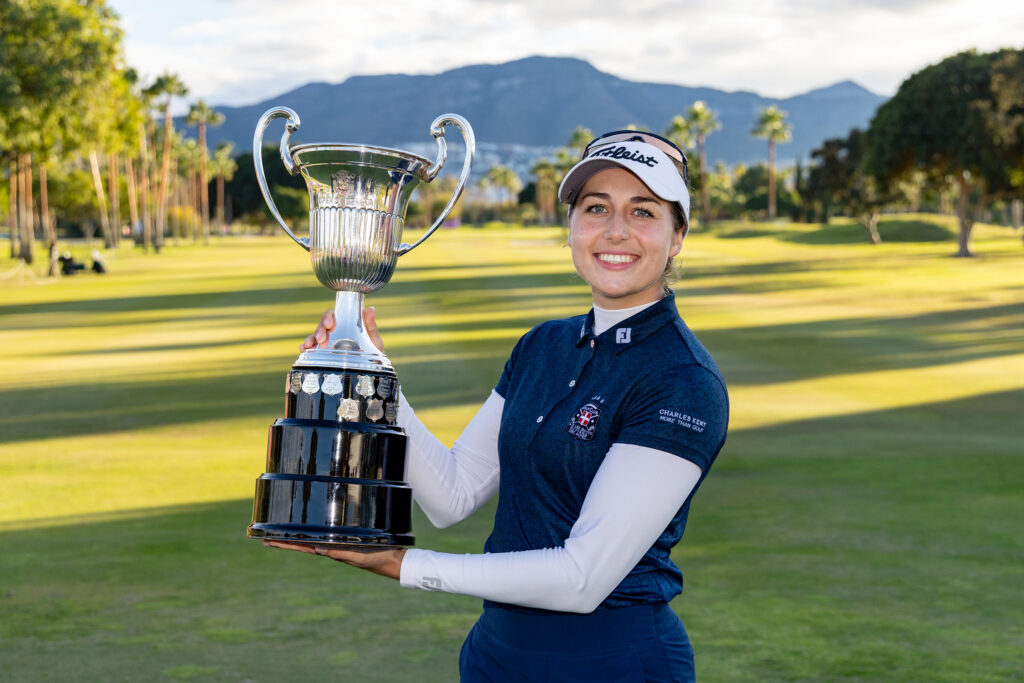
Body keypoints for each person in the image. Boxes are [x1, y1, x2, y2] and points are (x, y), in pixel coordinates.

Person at [267, 131, 729, 681]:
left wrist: (404, 564)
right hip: (496, 654)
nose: (616, 231)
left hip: (613, 659)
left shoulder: (682, 380)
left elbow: (582, 579)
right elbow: (454, 494)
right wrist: (375, 382)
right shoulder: (543, 346)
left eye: (644, 211)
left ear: (678, 236)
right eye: (596, 207)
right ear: (573, 227)